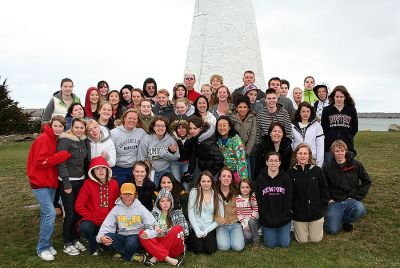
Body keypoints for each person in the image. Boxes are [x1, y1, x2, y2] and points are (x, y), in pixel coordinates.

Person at [27, 116, 71, 261]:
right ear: (51, 125)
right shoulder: (44, 138)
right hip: (40, 183)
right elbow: (41, 162)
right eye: (56, 126)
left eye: (61, 127)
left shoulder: (54, 138)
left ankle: (47, 243)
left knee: (47, 215)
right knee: (51, 213)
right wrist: (61, 156)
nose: (58, 129)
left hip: (50, 182)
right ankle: (42, 248)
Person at [96, 183, 156, 262]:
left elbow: (153, 225)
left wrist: (147, 233)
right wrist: (101, 237)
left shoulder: (141, 208)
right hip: (122, 236)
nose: (127, 197)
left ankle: (121, 252)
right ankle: (131, 256)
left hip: (136, 236)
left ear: (135, 195)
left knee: (131, 244)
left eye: (130, 194)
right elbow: (107, 225)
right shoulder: (117, 208)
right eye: (124, 194)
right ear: (120, 195)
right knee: (107, 237)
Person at [57, 118, 91, 255]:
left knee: (77, 212)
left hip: (80, 181)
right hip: (68, 181)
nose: (79, 130)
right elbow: (61, 163)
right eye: (76, 127)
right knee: (69, 213)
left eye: (81, 128)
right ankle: (67, 242)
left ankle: (76, 238)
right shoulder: (65, 141)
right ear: (71, 128)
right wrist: (66, 182)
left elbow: (85, 161)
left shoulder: (83, 141)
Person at [323, 140, 371, 234]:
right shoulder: (328, 168)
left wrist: (357, 196)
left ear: (346, 151)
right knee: (332, 230)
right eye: (337, 151)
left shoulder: (355, 164)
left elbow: (367, 181)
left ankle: (345, 220)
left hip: (351, 199)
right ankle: (336, 218)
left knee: (360, 209)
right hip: (335, 201)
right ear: (333, 153)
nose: (340, 153)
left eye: (342, 150)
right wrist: (329, 199)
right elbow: (323, 186)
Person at [75, 156, 119, 255]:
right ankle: (93, 242)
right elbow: (79, 205)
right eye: (97, 168)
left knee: (111, 247)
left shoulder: (114, 184)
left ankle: (102, 243)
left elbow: (117, 204)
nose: (100, 171)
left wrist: (114, 220)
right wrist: (91, 217)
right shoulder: (88, 184)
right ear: (92, 171)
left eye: (103, 167)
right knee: (85, 227)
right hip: (92, 220)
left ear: (107, 169)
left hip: (108, 221)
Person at [288, 144, 329, 243]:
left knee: (316, 239)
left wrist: (321, 205)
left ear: (309, 155)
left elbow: (325, 189)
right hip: (299, 213)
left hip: (315, 212)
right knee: (302, 240)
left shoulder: (317, 170)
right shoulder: (290, 172)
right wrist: (292, 208)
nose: (302, 156)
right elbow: (289, 193)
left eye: (305, 153)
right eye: (300, 153)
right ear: (296, 155)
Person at [139, 188, 188, 266]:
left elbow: (185, 231)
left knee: (178, 228)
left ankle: (155, 258)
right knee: (142, 233)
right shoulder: (153, 214)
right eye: (162, 201)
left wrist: (165, 232)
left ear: (171, 202)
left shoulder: (177, 212)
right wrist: (155, 230)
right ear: (158, 203)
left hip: (173, 247)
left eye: (168, 200)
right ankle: (169, 259)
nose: (165, 203)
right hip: (158, 244)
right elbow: (146, 228)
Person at [255, 152, 293, 248]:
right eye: (271, 161)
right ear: (267, 162)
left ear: (280, 163)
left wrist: (282, 217)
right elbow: (260, 202)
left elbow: (288, 200)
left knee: (284, 244)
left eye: (276, 161)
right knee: (270, 244)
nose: (273, 163)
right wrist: (267, 217)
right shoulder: (260, 178)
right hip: (267, 218)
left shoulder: (285, 178)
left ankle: (283, 231)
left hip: (283, 218)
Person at [187, 171, 224, 254]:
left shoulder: (217, 196)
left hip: (209, 227)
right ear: (199, 182)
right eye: (203, 181)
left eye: (208, 181)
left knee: (210, 250)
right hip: (196, 226)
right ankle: (190, 239)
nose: (206, 183)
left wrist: (207, 230)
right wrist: (197, 230)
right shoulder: (194, 192)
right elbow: (190, 212)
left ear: (212, 182)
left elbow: (221, 217)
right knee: (198, 250)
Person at [138, 116, 180, 187]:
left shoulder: (170, 139)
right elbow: (141, 158)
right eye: (157, 126)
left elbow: (176, 156)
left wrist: (164, 154)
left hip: (166, 169)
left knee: (167, 189)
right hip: (151, 171)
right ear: (153, 127)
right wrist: (144, 172)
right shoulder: (146, 139)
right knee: (153, 189)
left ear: (166, 127)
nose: (160, 128)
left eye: (163, 126)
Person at [321, 85, 358, 163]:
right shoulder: (327, 110)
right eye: (337, 97)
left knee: (346, 170)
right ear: (333, 97)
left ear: (345, 97)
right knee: (329, 168)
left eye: (341, 97)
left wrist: (348, 137)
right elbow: (324, 128)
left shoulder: (351, 110)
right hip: (330, 145)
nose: (339, 99)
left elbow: (355, 128)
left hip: (347, 145)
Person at [110, 109, 146, 185]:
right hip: (118, 168)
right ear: (124, 118)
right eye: (129, 118)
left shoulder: (141, 132)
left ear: (137, 120)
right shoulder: (114, 133)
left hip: (135, 169)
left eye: (135, 118)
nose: (132, 120)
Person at [186, 116, 224, 181]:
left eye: (195, 128)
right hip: (203, 170)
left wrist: (210, 173)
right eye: (190, 128)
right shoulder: (196, 138)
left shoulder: (206, 142)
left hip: (211, 174)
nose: (192, 131)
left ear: (201, 128)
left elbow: (219, 159)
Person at [216, 167, 245, 252]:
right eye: (224, 176)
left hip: (235, 224)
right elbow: (211, 210)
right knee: (224, 247)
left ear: (232, 179)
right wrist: (219, 220)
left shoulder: (236, 192)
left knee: (238, 247)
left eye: (229, 176)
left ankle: (237, 236)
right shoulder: (214, 192)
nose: (226, 178)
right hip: (221, 225)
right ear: (219, 178)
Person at [231, 95, 257, 180]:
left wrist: (246, 152)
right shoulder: (231, 118)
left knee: (247, 175)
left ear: (248, 108)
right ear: (236, 108)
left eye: (245, 107)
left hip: (247, 151)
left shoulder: (252, 118)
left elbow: (253, 136)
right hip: (234, 150)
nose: (243, 109)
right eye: (240, 107)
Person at [216, 116, 248, 183]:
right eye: (219, 125)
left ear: (229, 127)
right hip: (223, 173)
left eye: (224, 125)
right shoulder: (217, 139)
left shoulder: (236, 140)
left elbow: (242, 160)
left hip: (235, 173)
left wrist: (243, 180)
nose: (222, 128)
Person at [291, 102, 324, 167]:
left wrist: (319, 164)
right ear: (299, 113)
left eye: (307, 111)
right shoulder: (292, 126)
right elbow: (291, 144)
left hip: (312, 160)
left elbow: (320, 145)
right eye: (303, 111)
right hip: (297, 160)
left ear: (310, 112)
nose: (305, 113)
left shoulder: (317, 125)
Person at [169, 119, 193, 188]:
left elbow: (192, 154)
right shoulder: (173, 138)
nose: (181, 130)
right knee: (176, 182)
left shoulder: (191, 138)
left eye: (184, 128)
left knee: (186, 184)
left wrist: (190, 170)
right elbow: (169, 150)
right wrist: (171, 150)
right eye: (179, 128)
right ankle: (177, 198)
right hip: (175, 163)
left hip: (186, 163)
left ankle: (185, 197)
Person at [235, 180, 259, 248]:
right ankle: (249, 237)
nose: (245, 189)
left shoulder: (253, 198)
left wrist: (249, 222)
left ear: (250, 188)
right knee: (248, 236)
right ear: (239, 188)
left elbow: (256, 210)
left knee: (251, 221)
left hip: (254, 221)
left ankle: (256, 240)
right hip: (245, 222)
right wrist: (244, 225)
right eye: (242, 187)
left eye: (247, 187)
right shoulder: (238, 199)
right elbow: (239, 213)